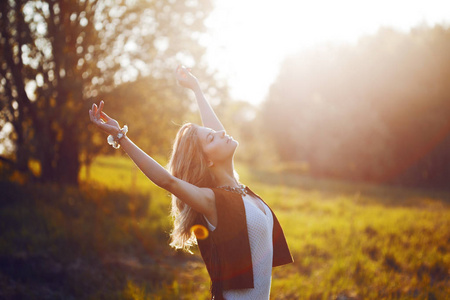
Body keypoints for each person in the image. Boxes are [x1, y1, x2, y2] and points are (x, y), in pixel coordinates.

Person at [88, 66, 293, 299]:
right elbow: (168, 181)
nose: (222, 133)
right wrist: (121, 137)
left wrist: (196, 89)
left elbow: (217, 133)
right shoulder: (212, 200)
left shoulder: (241, 191)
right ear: (208, 160)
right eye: (212, 137)